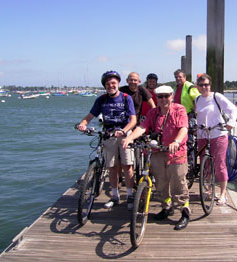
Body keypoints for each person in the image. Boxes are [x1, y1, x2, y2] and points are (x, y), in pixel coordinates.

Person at [122, 85, 191, 231]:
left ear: (172, 96)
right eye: (160, 97)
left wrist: (176, 142)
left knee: (178, 183)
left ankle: (184, 212)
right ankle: (166, 207)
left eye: (167, 96)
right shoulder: (153, 112)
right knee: (161, 182)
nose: (164, 99)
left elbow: (184, 128)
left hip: (176, 152)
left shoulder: (179, 110)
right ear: (156, 98)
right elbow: (142, 127)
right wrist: (130, 138)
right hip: (158, 151)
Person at [77, 70, 137, 210]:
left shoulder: (126, 98)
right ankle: (115, 196)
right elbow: (90, 115)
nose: (111, 85)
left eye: (113, 83)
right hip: (109, 135)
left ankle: (129, 195)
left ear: (118, 84)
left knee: (127, 166)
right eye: (108, 83)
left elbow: (133, 120)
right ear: (105, 85)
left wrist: (123, 131)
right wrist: (83, 124)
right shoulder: (101, 99)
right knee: (112, 167)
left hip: (124, 134)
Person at [195, 73, 237, 205]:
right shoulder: (197, 99)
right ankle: (208, 189)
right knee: (205, 164)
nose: (204, 87)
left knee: (219, 164)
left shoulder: (216, 96)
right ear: (198, 86)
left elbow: (233, 109)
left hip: (218, 134)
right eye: (201, 85)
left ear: (210, 85)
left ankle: (223, 193)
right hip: (202, 135)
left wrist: (231, 122)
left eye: (206, 84)